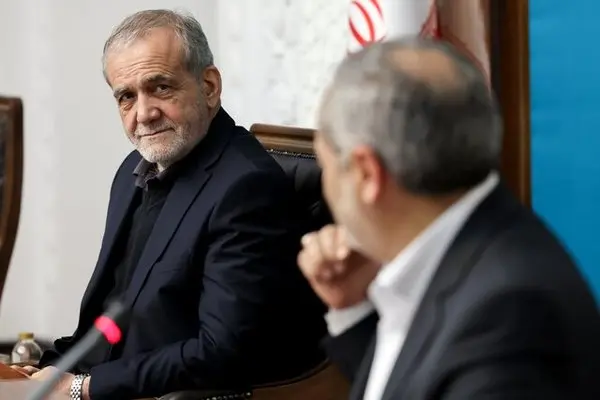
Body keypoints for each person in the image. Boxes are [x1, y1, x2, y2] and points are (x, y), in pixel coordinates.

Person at [14, 9, 326, 400]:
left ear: (209, 86)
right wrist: (48, 371)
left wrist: (81, 387)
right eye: (126, 97)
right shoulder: (133, 171)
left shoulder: (246, 187)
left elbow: (219, 352)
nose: (144, 114)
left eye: (160, 87)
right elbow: (111, 321)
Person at [298, 37, 600, 399]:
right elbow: (422, 378)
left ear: (366, 174)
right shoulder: (470, 255)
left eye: (325, 165)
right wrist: (352, 309)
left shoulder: (509, 314)